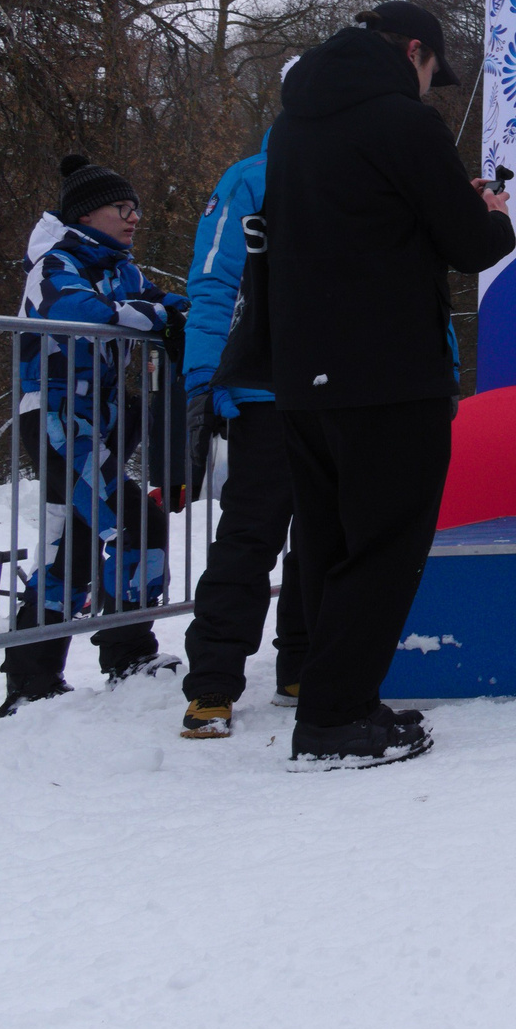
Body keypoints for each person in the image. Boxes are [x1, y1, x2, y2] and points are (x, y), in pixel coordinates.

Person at [266, 1, 514, 768]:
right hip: (389, 370)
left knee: (328, 543)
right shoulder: (407, 124)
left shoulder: (293, 126)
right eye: (435, 75)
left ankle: (337, 699)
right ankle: (336, 721)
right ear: (415, 52)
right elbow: (469, 244)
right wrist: (493, 212)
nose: (434, 91)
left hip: (304, 374)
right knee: (384, 547)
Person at [0, 155, 190, 716]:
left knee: (71, 543)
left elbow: (162, 301)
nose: (134, 219)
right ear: (86, 214)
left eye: (137, 209)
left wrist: (188, 311)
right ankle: (127, 657)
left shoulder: (119, 267)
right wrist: (158, 318)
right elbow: (86, 311)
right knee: (136, 521)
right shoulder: (53, 264)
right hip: (57, 419)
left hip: (98, 422)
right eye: (122, 209)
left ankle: (31, 680)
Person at [176, 104, 316, 739]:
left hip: (346, 390)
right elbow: (212, 282)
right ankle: (212, 683)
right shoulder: (250, 177)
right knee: (251, 536)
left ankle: (301, 665)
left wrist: (438, 362)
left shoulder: (366, 170)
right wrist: (205, 380)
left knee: (326, 535)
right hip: (264, 390)